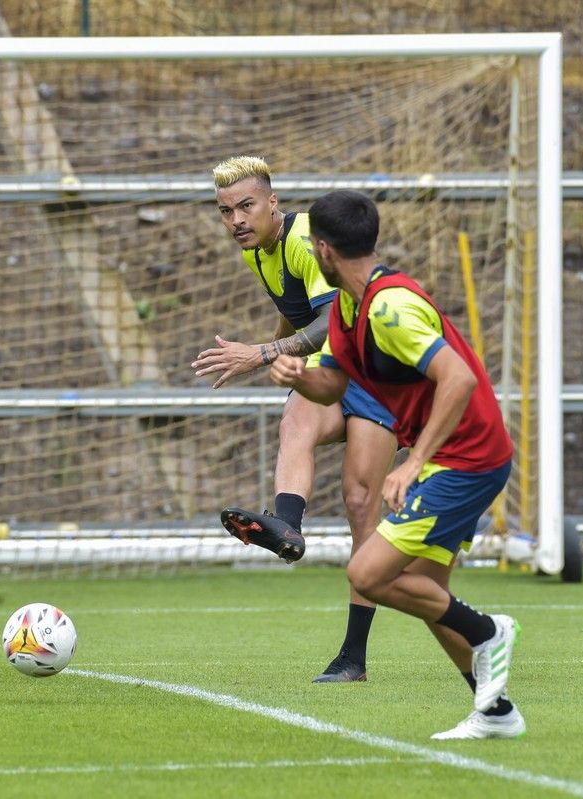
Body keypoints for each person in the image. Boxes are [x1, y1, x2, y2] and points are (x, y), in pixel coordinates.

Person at [267, 189, 525, 739]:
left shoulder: (391, 307)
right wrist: (298, 374)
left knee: (369, 572)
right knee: (428, 593)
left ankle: (489, 632)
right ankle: (496, 713)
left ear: (322, 249)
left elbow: (458, 378)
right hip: (457, 458)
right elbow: (333, 381)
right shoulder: (346, 306)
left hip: (468, 458)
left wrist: (413, 464)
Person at [192, 156, 399, 683]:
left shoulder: (305, 238)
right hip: (335, 368)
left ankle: (354, 656)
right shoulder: (259, 252)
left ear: (273, 203)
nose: (236, 219)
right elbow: (298, 313)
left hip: (377, 378)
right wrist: (280, 354)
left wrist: (261, 354)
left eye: (246, 206)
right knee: (295, 422)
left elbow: (331, 319)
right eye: (225, 211)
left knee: (359, 505)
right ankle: (288, 526)